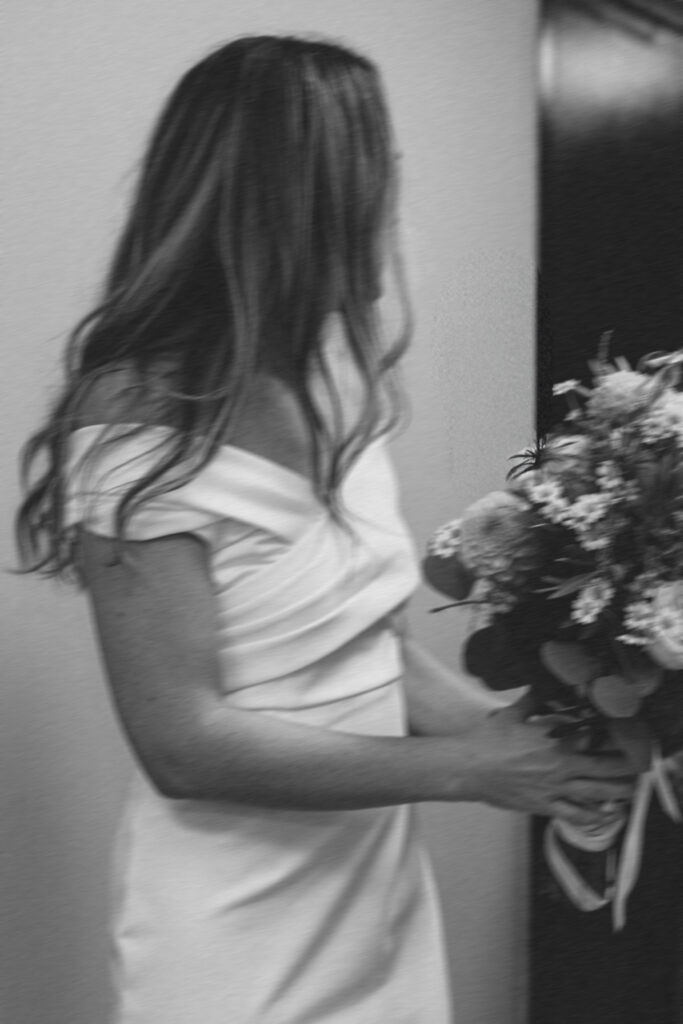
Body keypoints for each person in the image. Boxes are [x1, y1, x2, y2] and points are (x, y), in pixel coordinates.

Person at [15, 35, 634, 1024]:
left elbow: (366, 648)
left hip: (372, 895)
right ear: (307, 195)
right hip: (232, 926)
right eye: (375, 171)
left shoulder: (334, 377)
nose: (390, 202)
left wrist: (535, 748)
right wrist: (471, 769)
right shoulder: (134, 417)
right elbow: (182, 741)